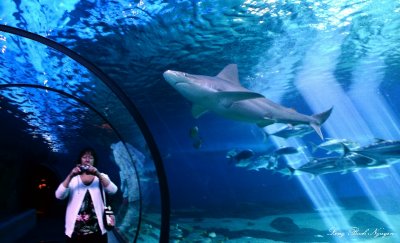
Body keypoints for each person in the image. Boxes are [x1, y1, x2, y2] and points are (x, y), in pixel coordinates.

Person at [55, 147, 118, 242]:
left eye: (91, 157)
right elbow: (59, 195)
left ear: (94, 161)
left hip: (98, 230)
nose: (87, 160)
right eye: (84, 157)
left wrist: (98, 174)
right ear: (80, 160)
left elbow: (113, 191)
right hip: (75, 232)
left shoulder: (101, 177)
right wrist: (70, 175)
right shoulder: (73, 179)